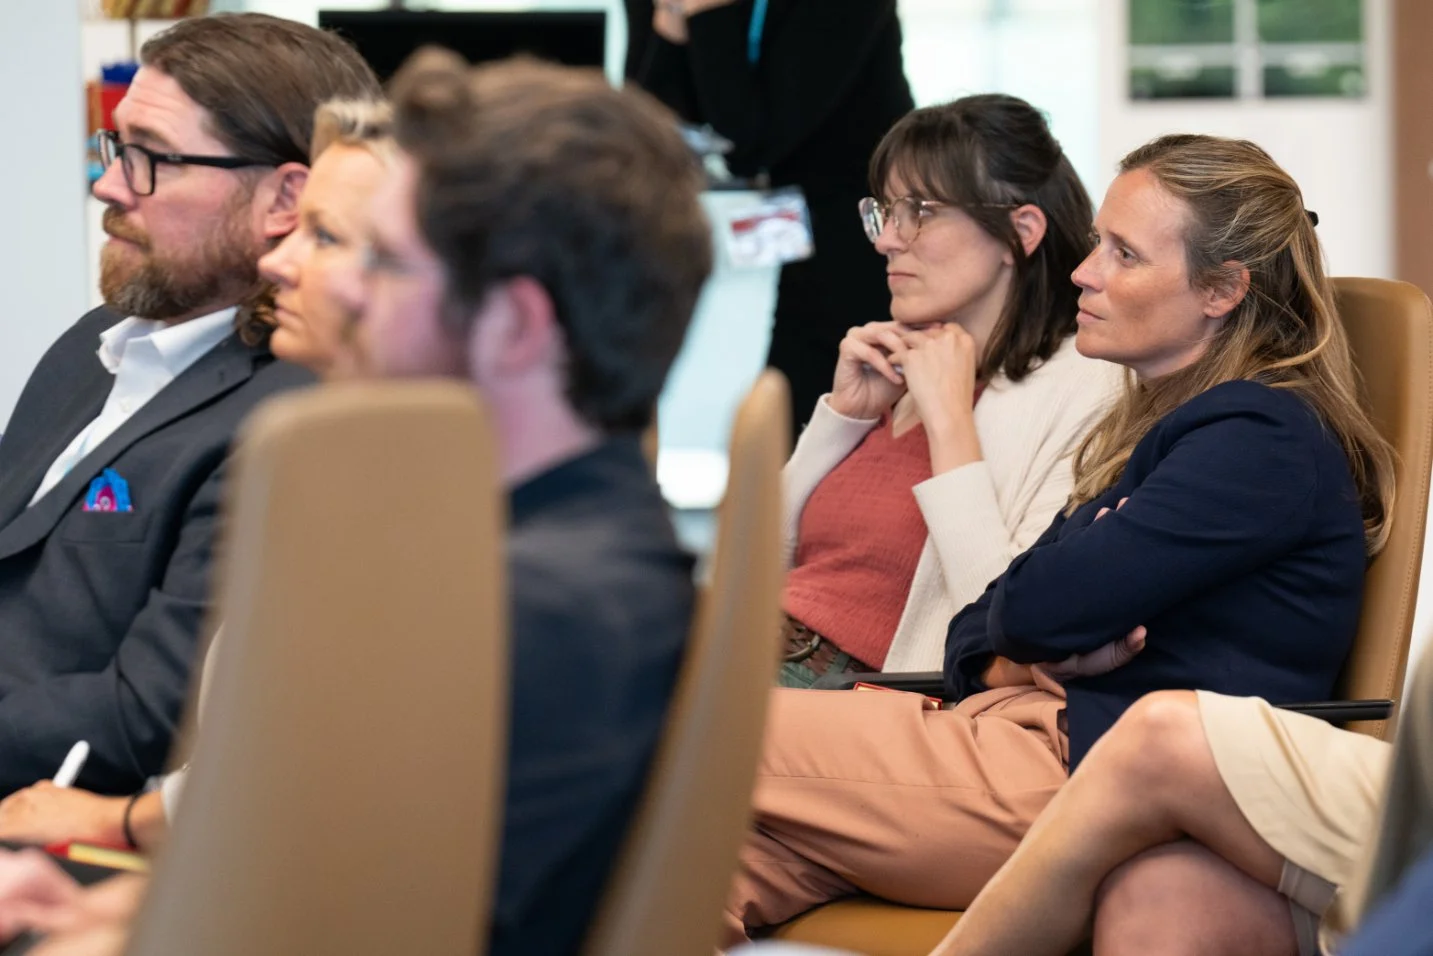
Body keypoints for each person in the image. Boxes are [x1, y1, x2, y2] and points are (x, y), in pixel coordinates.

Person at [0, 51, 712, 956]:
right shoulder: (531, 551)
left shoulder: (541, 608)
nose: (287, 261)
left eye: (363, 251)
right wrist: (99, 913)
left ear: (515, 325)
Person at [721, 133, 1395, 944]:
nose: (1083, 269)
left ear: (1219, 290)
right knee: (686, 863)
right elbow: (987, 620)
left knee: (689, 734)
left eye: (1122, 253)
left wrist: (1026, 634)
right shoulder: (1159, 425)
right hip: (1009, 739)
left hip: (1071, 768)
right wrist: (1021, 642)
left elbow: (1031, 605)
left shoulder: (1258, 433)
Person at [0, 98, 397, 853]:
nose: (109, 184)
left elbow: (166, 726)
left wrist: (117, 836)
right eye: (117, 146)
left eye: (327, 235)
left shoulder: (298, 422)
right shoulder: (91, 343)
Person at [777, 95, 1122, 686]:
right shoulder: (899, 369)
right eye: (885, 211)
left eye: (920, 211)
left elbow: (1011, 620)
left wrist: (950, 428)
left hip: (846, 687)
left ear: (1022, 230)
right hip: (756, 646)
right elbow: (757, 561)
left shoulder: (1086, 383)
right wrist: (843, 420)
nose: (887, 240)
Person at [626, 0, 914, 438]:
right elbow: (647, 132)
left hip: (865, 226)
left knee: (821, 396)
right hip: (789, 212)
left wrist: (705, 14)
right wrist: (669, 26)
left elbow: (753, 140)